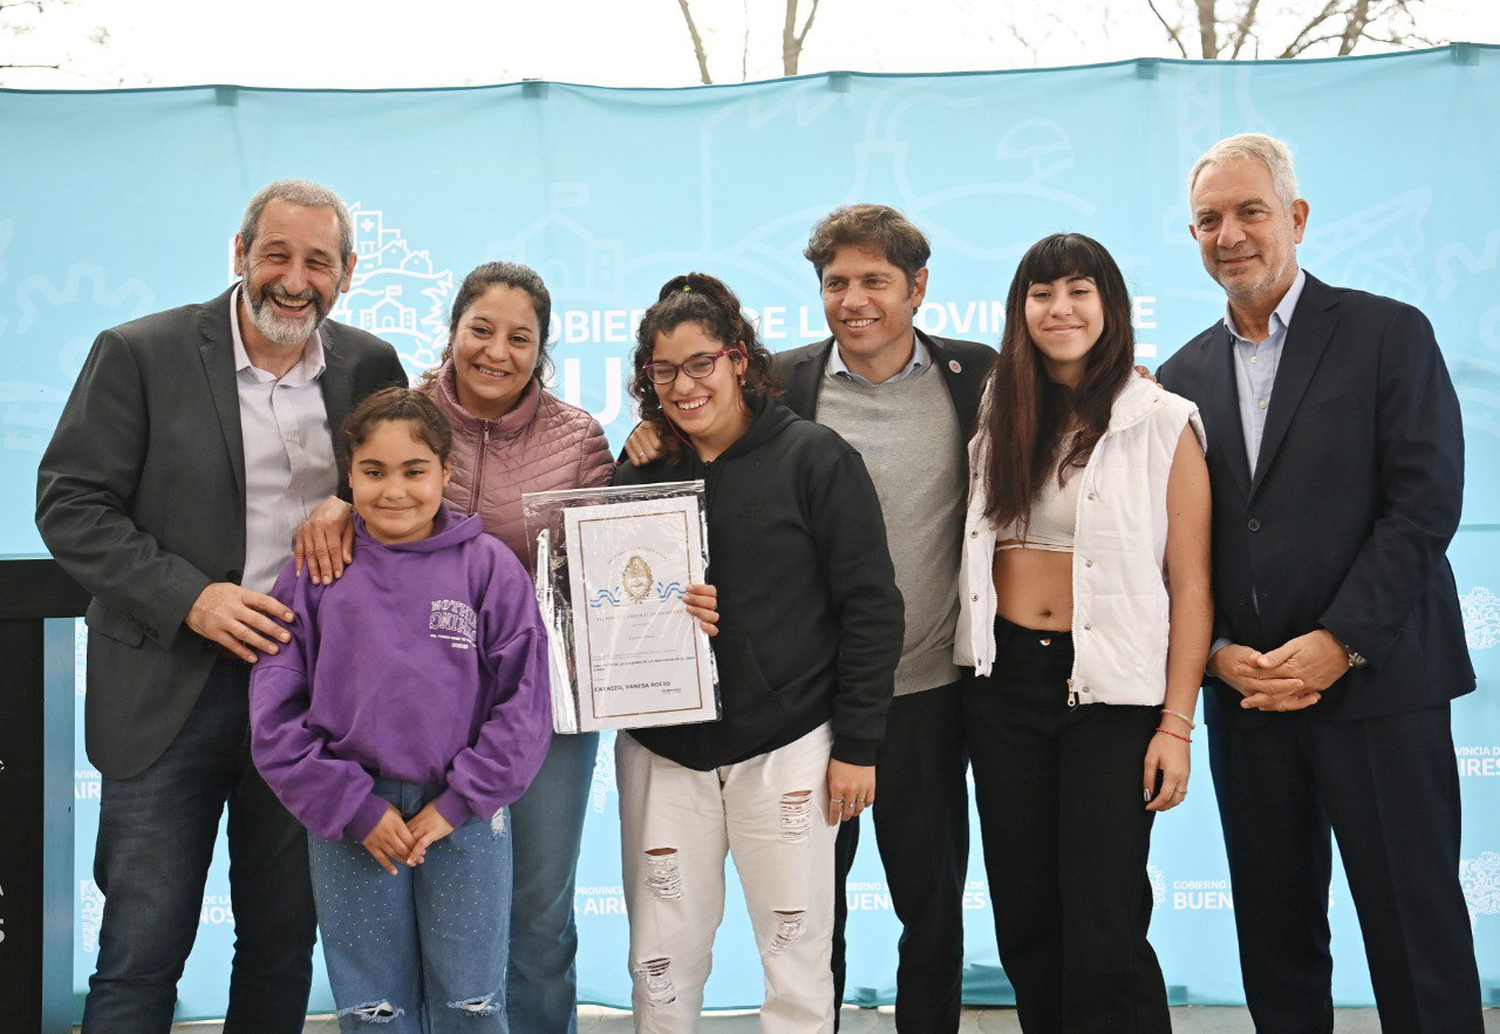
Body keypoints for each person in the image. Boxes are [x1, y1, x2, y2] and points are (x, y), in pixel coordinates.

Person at [35, 179, 407, 1032]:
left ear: (346, 274)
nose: (295, 278)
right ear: (239, 255)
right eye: (276, 254)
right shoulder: (140, 353)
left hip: (309, 704)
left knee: (281, 943)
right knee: (140, 951)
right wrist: (191, 598)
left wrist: (353, 500)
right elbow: (70, 505)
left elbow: (407, 493)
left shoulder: (370, 367)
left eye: (318, 261)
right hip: (168, 692)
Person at [623, 205, 993, 1033]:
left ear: (917, 288)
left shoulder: (978, 376)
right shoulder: (775, 388)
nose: (853, 298)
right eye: (836, 282)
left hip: (915, 692)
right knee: (803, 933)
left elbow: (869, 596)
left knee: (927, 904)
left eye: (874, 281)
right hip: (796, 715)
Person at [295, 260, 680, 1033]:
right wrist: (337, 501)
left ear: (543, 349)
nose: (496, 352)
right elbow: (378, 478)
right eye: (481, 329)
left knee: (536, 911)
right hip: (405, 719)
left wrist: (652, 484)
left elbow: (606, 567)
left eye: (520, 337)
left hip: (534, 711)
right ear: (452, 330)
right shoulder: (406, 415)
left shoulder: (577, 438)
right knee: (412, 932)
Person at [1156, 133, 1482, 1031]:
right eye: (1210, 219)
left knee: (1416, 934)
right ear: (1193, 236)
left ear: (1295, 218)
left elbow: (1423, 506)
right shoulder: (1178, 381)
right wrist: (1218, 657)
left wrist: (1340, 643)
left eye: (1250, 211)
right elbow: (1179, 549)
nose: (1231, 234)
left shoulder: (1387, 333)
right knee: (1275, 936)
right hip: (1250, 701)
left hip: (1381, 688)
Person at [614, 272, 904, 1033]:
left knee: (797, 955)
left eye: (700, 362)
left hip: (789, 746)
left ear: (739, 360)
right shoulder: (638, 470)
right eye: (664, 370)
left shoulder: (817, 460)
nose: (684, 385)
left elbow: (872, 609)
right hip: (661, 750)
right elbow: (599, 607)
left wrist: (860, 745)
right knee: (660, 959)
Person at [955, 232, 1211, 1032]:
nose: (1058, 309)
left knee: (1104, 923)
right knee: (1027, 920)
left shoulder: (1163, 419)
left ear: (1111, 305)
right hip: (1002, 685)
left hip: (1111, 692)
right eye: (1040, 293)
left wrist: (1177, 721)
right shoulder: (1001, 407)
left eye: (1078, 290)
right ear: (1019, 309)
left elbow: (1191, 584)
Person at [250, 386, 551, 1032]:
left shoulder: (490, 570)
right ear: (349, 474)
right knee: (372, 1009)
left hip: (465, 817)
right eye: (374, 472)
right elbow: (275, 717)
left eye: (415, 471)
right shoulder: (314, 571)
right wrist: (353, 806)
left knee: (472, 1002)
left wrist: (461, 801)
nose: (395, 491)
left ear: (447, 472)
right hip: (350, 818)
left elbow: (524, 706)